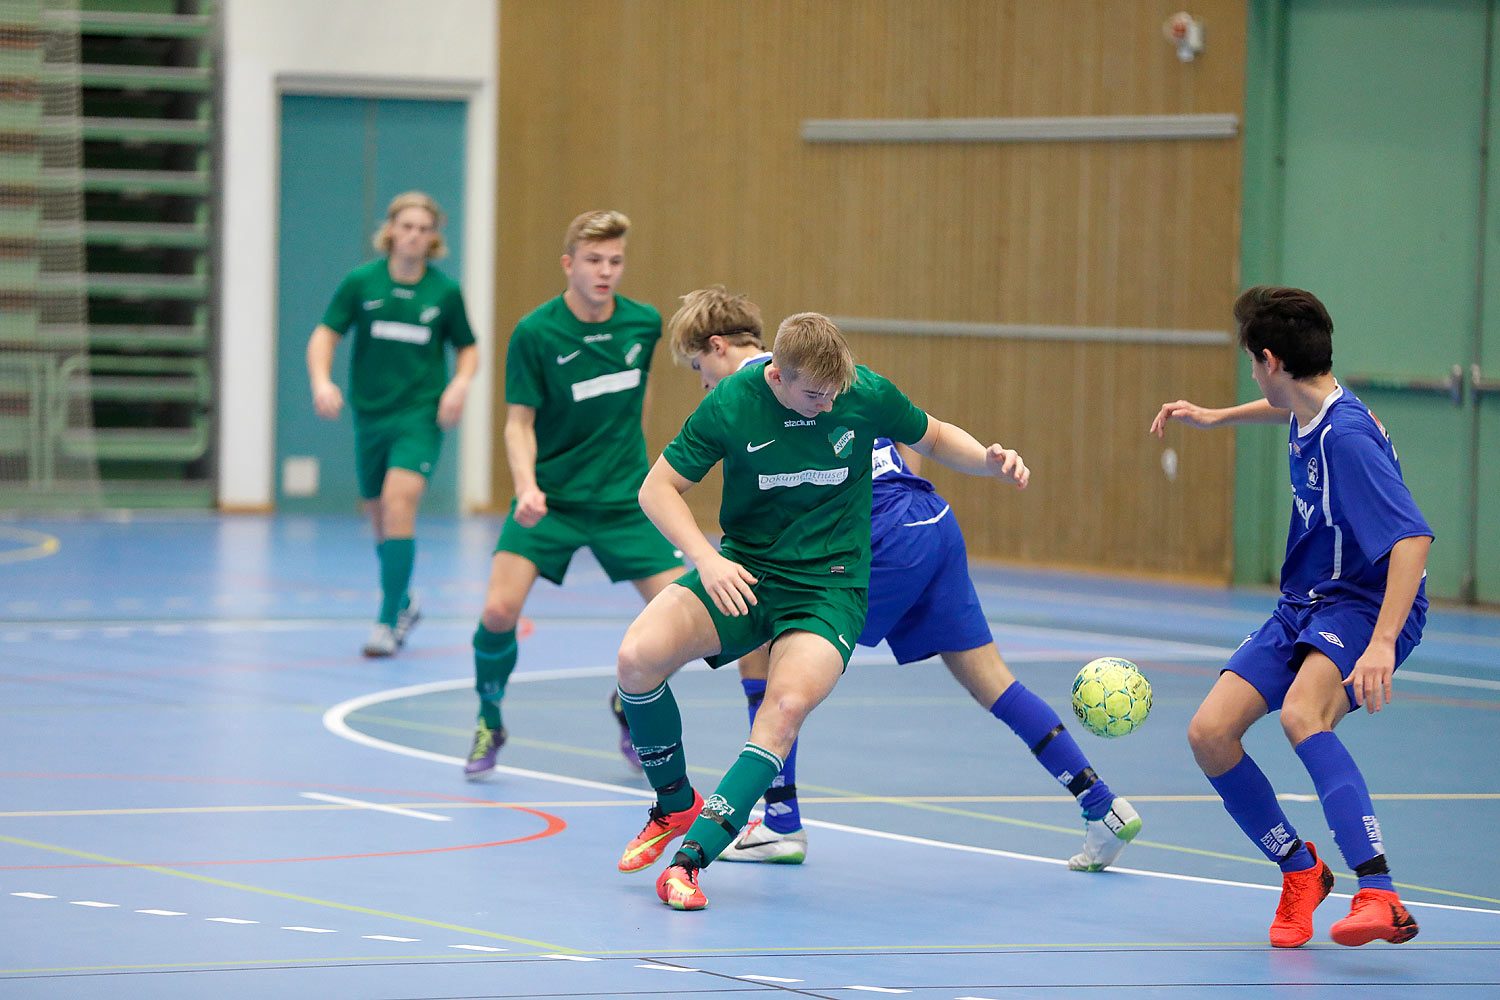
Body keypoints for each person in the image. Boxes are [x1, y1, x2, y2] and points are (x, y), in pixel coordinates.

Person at [666, 286, 1141, 872]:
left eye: (697, 369)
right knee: (990, 680)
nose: (703, 384)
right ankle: (1101, 804)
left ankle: (780, 824)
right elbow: (913, 446)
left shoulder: (761, 383)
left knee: (766, 648)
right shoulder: (840, 375)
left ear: (716, 349)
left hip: (880, 533)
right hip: (931, 520)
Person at [614, 310, 1030, 911]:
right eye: (815, 394)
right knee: (635, 659)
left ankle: (689, 862)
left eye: (836, 392)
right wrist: (706, 560)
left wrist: (987, 461)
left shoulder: (860, 393)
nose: (828, 405)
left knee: (783, 709)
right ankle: (675, 802)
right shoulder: (731, 404)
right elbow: (656, 489)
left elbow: (933, 436)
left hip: (829, 588)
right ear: (777, 375)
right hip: (746, 573)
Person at [1151, 285, 1430, 949]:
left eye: (1254, 363)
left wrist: (1382, 643)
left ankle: (1380, 893)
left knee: (1305, 714)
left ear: (1271, 360)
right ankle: (1301, 871)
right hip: (1303, 602)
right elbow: (1287, 411)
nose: (1254, 374)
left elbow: (1412, 539)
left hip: (1362, 604)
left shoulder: (1351, 439)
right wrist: (1217, 417)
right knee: (1209, 733)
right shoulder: (1311, 405)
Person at [463, 210, 684, 779]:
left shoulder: (643, 324)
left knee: (691, 618)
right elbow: (519, 423)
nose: (605, 271)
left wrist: (640, 467)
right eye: (593, 261)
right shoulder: (536, 333)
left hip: (622, 502)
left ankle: (625, 699)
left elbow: (641, 394)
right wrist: (526, 486)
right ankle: (490, 719)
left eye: (615, 261)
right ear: (569, 265)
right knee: (497, 610)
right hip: (551, 500)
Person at [307, 191, 478, 658]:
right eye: (407, 226)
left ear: (434, 238)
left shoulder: (444, 292)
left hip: (419, 416)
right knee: (378, 516)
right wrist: (322, 382)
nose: (415, 236)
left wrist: (459, 385)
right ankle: (404, 599)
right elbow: (325, 334)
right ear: (390, 231)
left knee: (399, 503)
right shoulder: (361, 283)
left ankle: (386, 622)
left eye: (424, 229)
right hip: (370, 414)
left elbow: (468, 347)